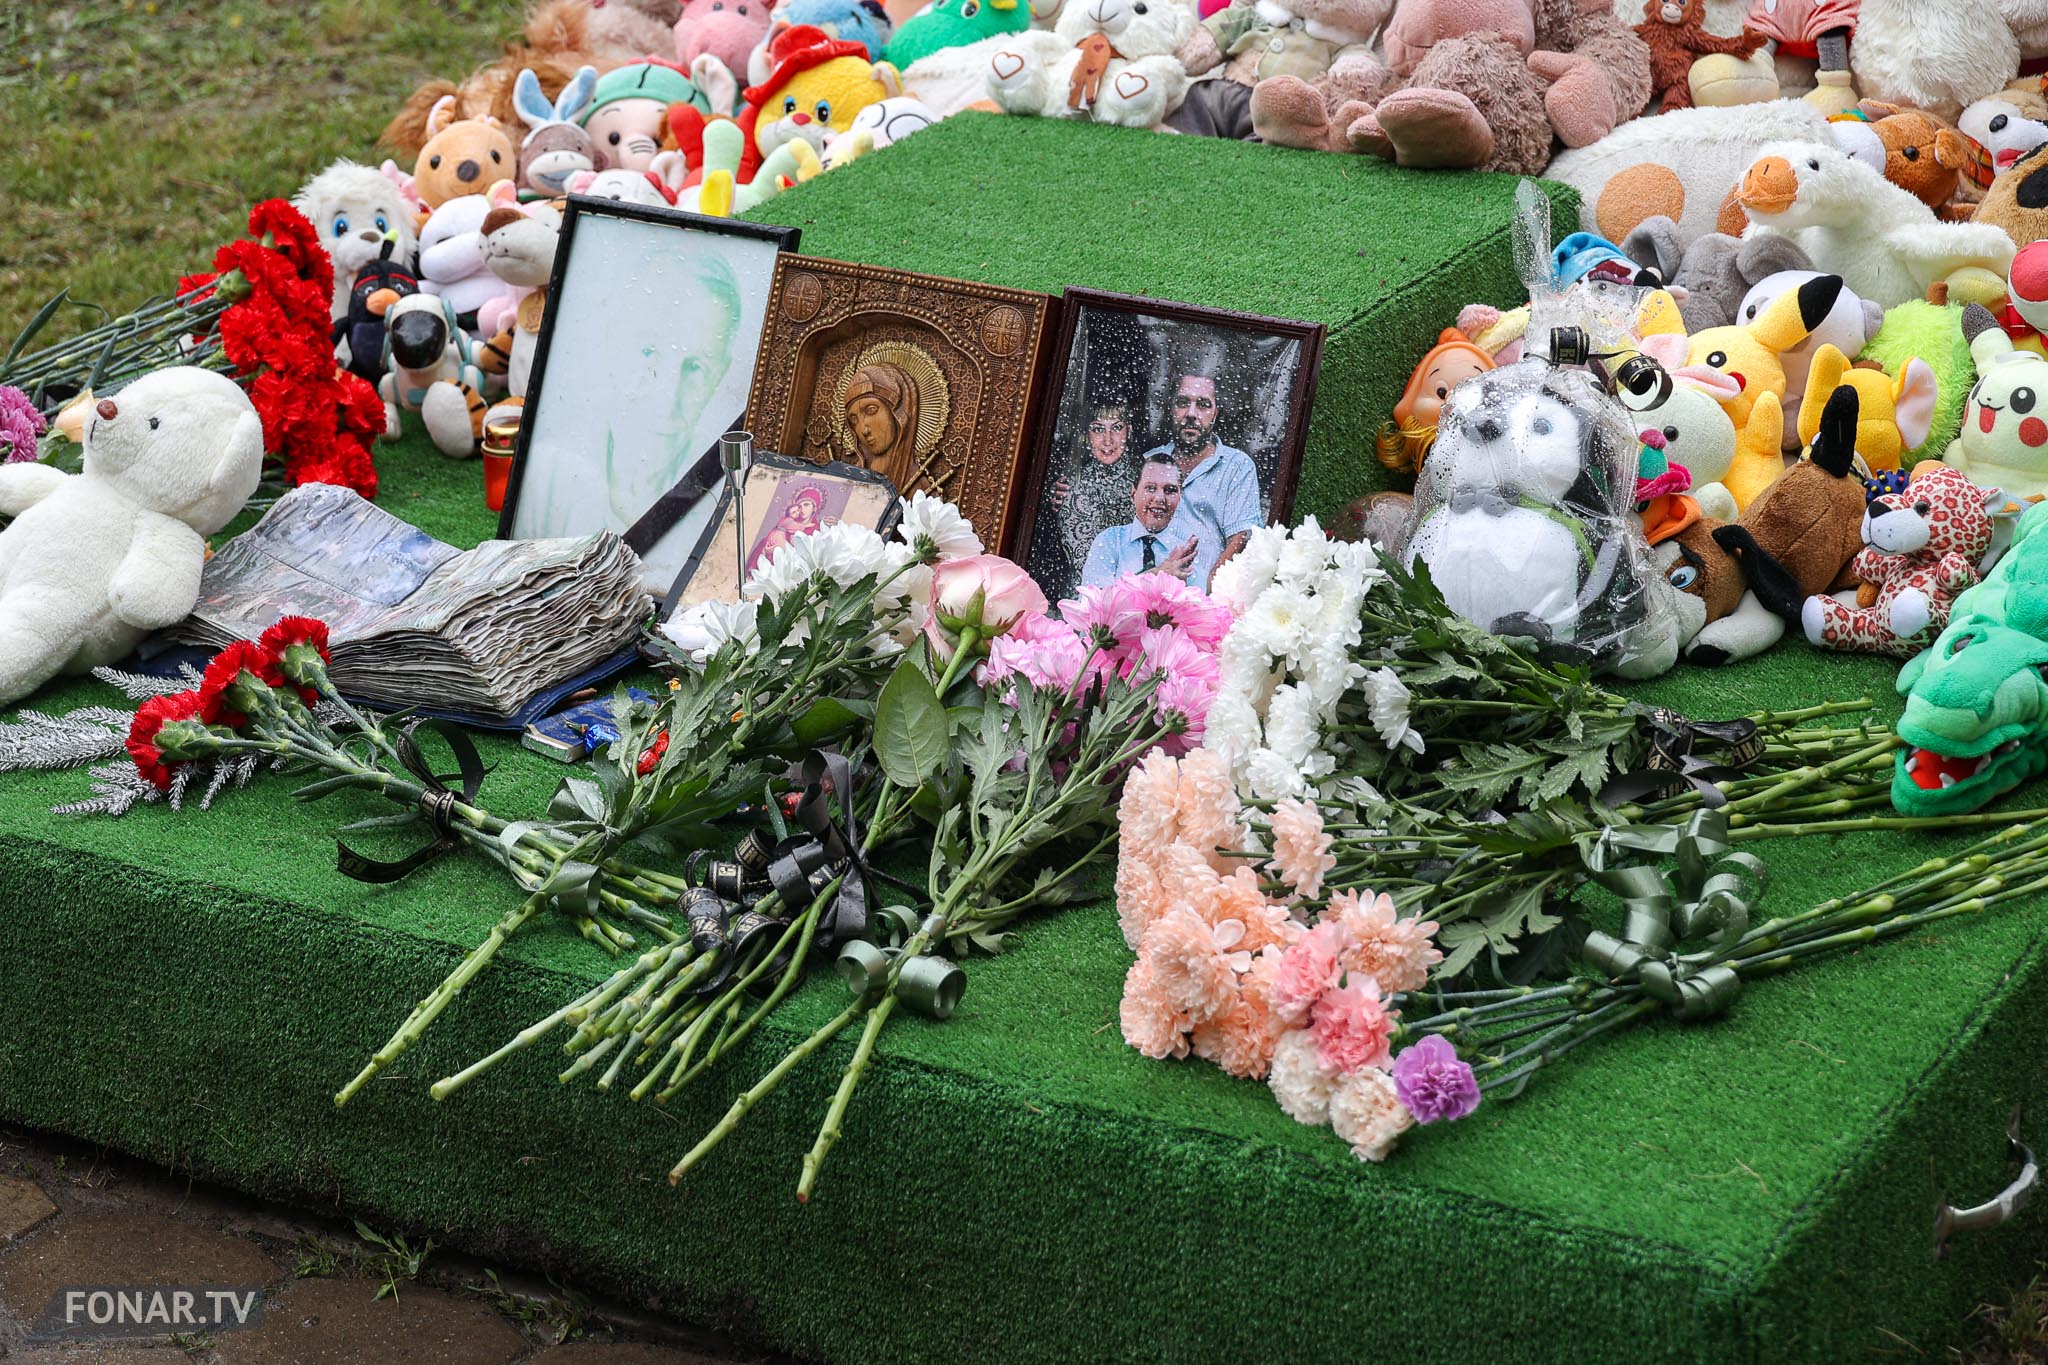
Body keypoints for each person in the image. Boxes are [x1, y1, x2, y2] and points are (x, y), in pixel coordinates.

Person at [1139, 370, 1263, 591]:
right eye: (1183, 403)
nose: (1191, 413)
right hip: (1146, 591)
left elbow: (1241, 538)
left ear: (1215, 414)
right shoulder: (1149, 462)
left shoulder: (1237, 466)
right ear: (1172, 409)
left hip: (1205, 596)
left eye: (1203, 405)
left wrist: (1208, 592)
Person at [1050, 402, 1140, 578]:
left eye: (1117, 428)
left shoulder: (1146, 474)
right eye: (1098, 429)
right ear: (1086, 435)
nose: (1108, 440)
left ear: (1129, 431)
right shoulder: (1074, 487)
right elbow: (1086, 568)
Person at [1081, 457, 1199, 587]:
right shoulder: (1110, 540)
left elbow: (1200, 598)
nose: (1159, 498)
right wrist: (1158, 575)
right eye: (1151, 488)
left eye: (1170, 490)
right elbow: (1095, 597)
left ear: (1180, 499)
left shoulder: (1185, 553)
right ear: (1133, 493)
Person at [843, 363, 921, 492]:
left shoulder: (919, 488)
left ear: (898, 413)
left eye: (871, 410)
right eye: (854, 419)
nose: (864, 430)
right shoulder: (848, 481)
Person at [748, 485, 829, 571]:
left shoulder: (817, 530)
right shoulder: (789, 522)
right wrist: (765, 551)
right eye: (799, 506)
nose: (801, 510)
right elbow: (767, 542)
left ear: (814, 508)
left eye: (806, 505)